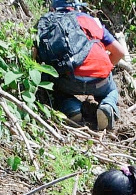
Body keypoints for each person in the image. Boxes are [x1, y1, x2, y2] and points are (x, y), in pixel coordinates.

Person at [43, 1, 128, 130]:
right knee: (111, 90)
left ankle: (72, 108)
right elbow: (120, 52)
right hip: (100, 81)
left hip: (69, 80)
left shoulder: (50, 23)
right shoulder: (90, 21)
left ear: (53, 8)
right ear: (75, 7)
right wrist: (102, 70)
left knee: (58, 91)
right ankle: (107, 105)